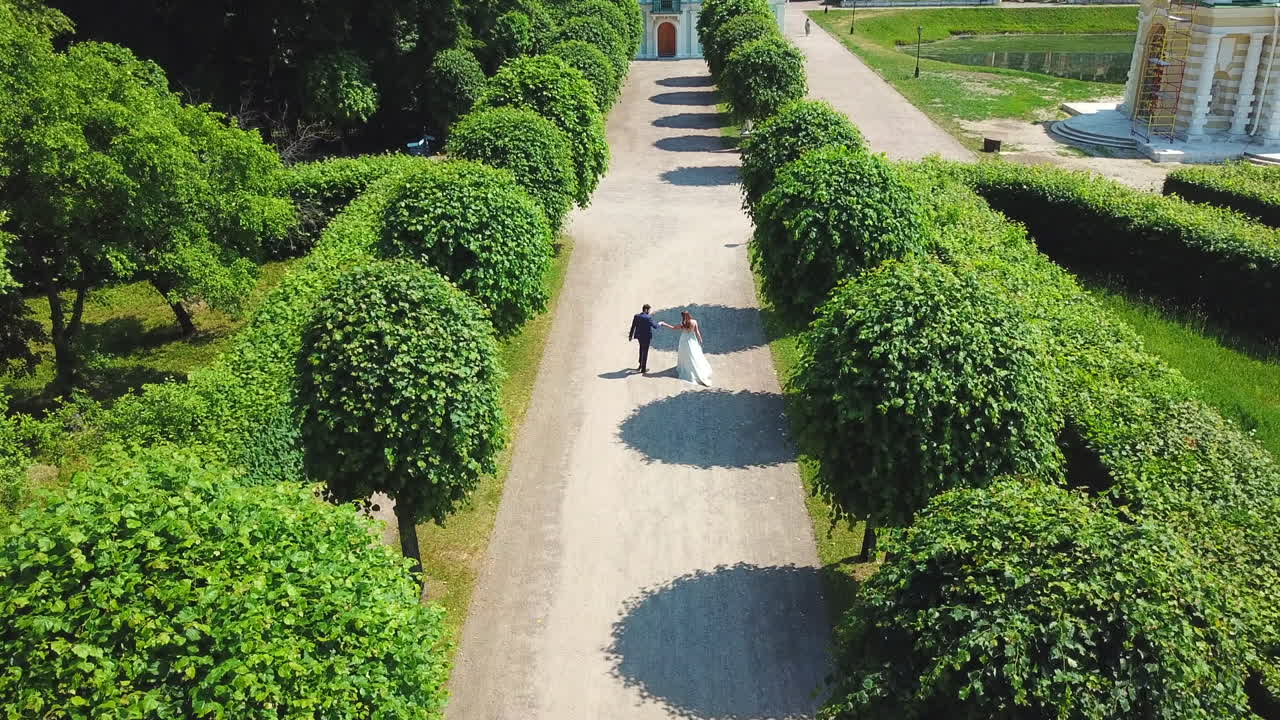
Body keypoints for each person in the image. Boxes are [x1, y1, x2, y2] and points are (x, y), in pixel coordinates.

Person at [659, 310, 713, 386]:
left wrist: (664, 324)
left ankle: (687, 368)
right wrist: (700, 339)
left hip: (684, 341)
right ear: (689, 315)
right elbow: (697, 331)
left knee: (686, 356)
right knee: (694, 354)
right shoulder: (694, 322)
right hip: (692, 340)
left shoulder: (683, 324)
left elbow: (673, 328)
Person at [628, 303, 659, 374]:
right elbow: (655, 326)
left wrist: (630, 336)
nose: (649, 312)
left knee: (641, 349)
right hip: (647, 337)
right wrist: (660, 324)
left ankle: (640, 364)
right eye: (649, 310)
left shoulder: (636, 316)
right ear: (646, 309)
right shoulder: (648, 318)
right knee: (645, 351)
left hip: (639, 337)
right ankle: (643, 368)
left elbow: (633, 326)